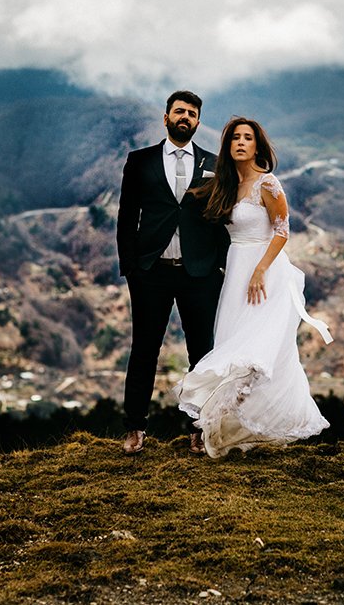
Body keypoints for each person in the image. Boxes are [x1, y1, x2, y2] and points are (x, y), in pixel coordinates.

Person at [173, 117, 333, 458]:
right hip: (234, 271)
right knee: (231, 344)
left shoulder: (268, 183)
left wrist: (261, 269)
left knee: (254, 353)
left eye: (248, 138)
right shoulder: (226, 185)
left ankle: (250, 421)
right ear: (228, 146)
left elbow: (282, 230)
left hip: (264, 274)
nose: (241, 143)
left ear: (257, 146)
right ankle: (228, 430)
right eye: (235, 138)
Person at [116, 90, 229, 455]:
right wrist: (131, 267)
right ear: (166, 118)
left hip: (200, 273)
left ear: (198, 122)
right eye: (179, 111)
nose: (185, 117)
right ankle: (135, 429)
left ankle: (199, 431)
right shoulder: (140, 161)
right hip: (151, 272)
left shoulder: (213, 164)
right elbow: (126, 217)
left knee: (203, 354)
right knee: (144, 350)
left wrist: (221, 266)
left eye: (192, 113)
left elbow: (221, 222)